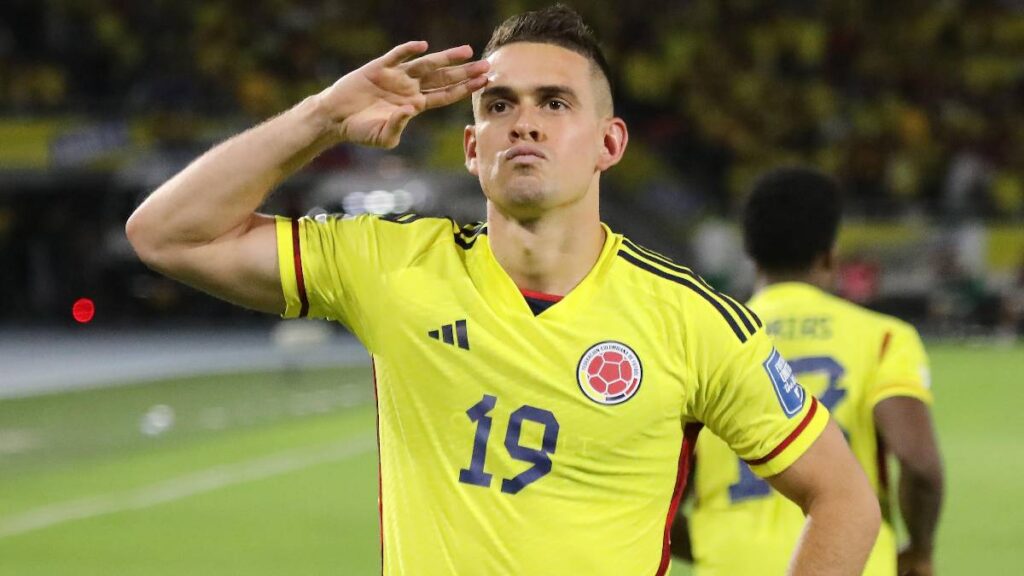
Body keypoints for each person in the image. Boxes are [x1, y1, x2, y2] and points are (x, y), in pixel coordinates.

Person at [126, 6, 880, 575]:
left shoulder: (693, 320)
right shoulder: (392, 267)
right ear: (471, 146)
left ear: (608, 144)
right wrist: (322, 118)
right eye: (499, 105)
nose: (525, 124)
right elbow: (168, 234)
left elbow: (844, 499)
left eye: (555, 103)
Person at [672, 167, 944, 575]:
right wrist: (920, 548)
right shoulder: (884, 337)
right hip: (850, 561)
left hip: (730, 563)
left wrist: (711, 546)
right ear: (830, 253)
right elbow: (919, 464)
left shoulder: (705, 338)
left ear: (750, 253)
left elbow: (659, 483)